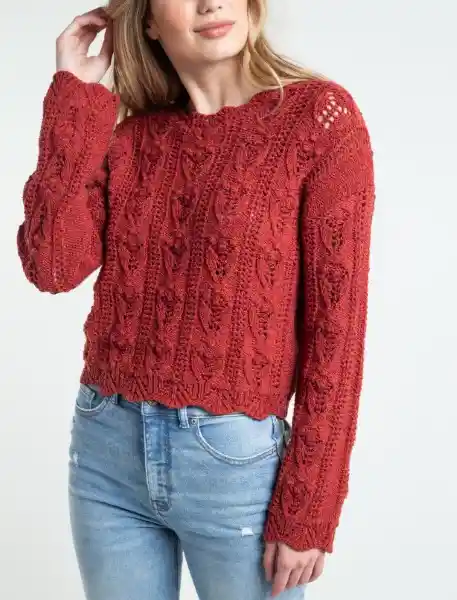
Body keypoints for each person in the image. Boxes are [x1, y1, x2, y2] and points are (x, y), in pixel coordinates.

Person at [16, 0, 375, 598]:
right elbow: (51, 265)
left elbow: (338, 330)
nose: (210, 3)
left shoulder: (318, 121)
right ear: (147, 20)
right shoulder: (131, 138)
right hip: (106, 451)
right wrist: (74, 97)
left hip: (235, 465)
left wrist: (311, 503)